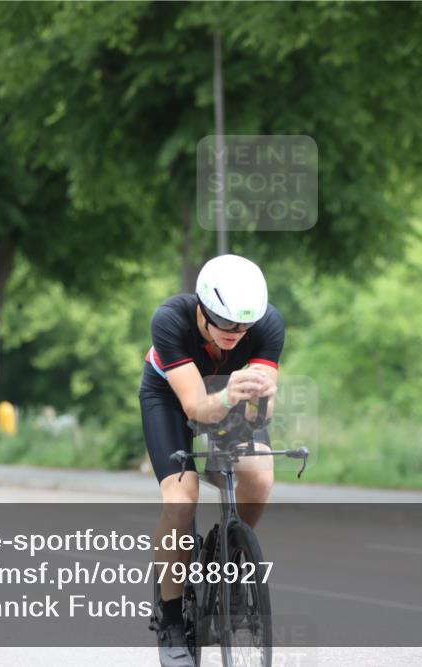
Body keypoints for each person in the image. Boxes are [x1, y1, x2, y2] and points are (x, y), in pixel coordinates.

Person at [139, 254, 283, 667]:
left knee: (259, 475)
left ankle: (230, 553)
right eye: (225, 323)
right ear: (202, 308)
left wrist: (259, 403)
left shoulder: (268, 324)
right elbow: (197, 408)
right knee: (180, 500)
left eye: (244, 326)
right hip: (172, 397)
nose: (235, 333)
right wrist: (229, 394)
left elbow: (261, 414)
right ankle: (170, 620)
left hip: (230, 394)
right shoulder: (170, 320)